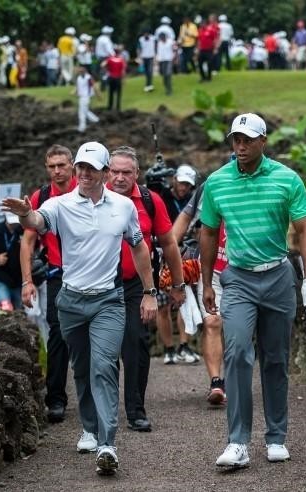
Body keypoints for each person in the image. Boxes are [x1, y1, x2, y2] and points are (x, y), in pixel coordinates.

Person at [1, 141, 158, 476]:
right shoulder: (60, 204)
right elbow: (38, 220)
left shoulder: (123, 207)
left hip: (108, 301)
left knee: (104, 367)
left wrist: (149, 292)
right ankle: (89, 427)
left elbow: (138, 247)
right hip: (71, 301)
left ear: (104, 172)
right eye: (81, 168)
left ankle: (107, 444)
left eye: (91, 168)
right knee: (83, 368)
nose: (84, 174)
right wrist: (24, 213)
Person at [199, 113, 306, 467]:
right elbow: (208, 232)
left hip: (278, 276)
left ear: (263, 141)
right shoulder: (217, 182)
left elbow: (305, 229)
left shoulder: (286, 178)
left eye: (248, 140)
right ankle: (237, 442)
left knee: (276, 358)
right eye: (236, 139)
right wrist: (207, 282)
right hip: (238, 279)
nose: (241, 146)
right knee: (236, 352)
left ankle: (276, 436)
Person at [107, 146, 185, 432]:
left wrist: (177, 284)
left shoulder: (151, 201)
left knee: (136, 343)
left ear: (137, 173)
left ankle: (136, 409)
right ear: (107, 172)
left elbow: (169, 244)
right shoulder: (93, 197)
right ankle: (102, 410)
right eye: (114, 171)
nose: (119, 178)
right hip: (99, 282)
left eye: (126, 172)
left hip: (136, 284)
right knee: (101, 349)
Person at [19, 144, 77, 423]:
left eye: (62, 165)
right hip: (58, 275)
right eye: (52, 166)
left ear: (72, 165)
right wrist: (27, 281)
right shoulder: (41, 196)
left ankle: (101, 396)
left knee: (96, 336)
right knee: (57, 334)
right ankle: (55, 399)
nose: (57, 171)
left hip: (91, 273)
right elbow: (27, 242)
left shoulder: (87, 189)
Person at [172, 180, 228, 405]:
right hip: (210, 268)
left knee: (237, 328)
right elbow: (185, 218)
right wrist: (170, 254)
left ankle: (235, 378)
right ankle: (216, 382)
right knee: (212, 322)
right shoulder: (211, 185)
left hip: (244, 269)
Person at [157, 164, 200, 364]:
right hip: (161, 252)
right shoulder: (162, 196)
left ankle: (184, 345)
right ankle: (168, 349)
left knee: (185, 298)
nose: (184, 188)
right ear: (174, 179)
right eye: (181, 183)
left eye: (188, 185)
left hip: (185, 253)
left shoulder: (193, 200)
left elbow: (198, 226)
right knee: (162, 305)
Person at [73, 65, 99, 133]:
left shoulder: (88, 77)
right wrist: (75, 92)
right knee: (85, 111)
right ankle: (95, 120)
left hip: (86, 97)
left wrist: (98, 95)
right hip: (81, 97)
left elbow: (94, 86)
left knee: (81, 112)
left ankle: (82, 127)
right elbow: (78, 87)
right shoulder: (79, 78)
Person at [102, 46, 126, 110]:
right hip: (118, 78)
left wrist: (107, 70)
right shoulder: (121, 60)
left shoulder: (110, 59)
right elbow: (123, 71)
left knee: (111, 93)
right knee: (118, 93)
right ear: (119, 52)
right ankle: (118, 107)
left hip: (111, 77)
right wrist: (124, 80)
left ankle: (110, 106)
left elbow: (102, 65)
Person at [197, 15, 219, 82]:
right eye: (201, 24)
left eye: (203, 24)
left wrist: (215, 48)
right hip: (202, 50)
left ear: (205, 24)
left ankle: (209, 77)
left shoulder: (210, 30)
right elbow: (199, 40)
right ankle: (203, 77)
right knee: (199, 64)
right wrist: (198, 49)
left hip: (209, 50)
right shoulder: (200, 30)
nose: (202, 25)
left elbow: (214, 39)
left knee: (209, 63)